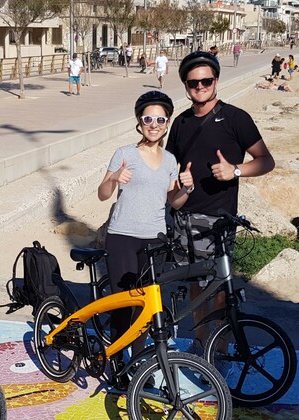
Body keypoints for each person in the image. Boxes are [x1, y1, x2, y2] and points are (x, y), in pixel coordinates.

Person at [166, 51, 275, 355]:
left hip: (218, 220)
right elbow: (169, 168)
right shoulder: (181, 122)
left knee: (219, 288)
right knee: (196, 287)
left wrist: (235, 171)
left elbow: (266, 160)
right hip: (184, 218)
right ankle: (201, 342)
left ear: (216, 80)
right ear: (186, 86)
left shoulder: (236, 118)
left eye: (206, 80)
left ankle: (222, 346)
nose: (200, 86)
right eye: (193, 82)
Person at [98, 91, 194, 388]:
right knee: (122, 305)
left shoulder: (170, 160)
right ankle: (116, 366)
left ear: (167, 124)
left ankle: (136, 365)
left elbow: (174, 203)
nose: (154, 124)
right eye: (148, 119)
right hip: (123, 236)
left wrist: (187, 188)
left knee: (145, 309)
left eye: (160, 119)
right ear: (139, 122)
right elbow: (102, 194)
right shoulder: (124, 153)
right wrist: (114, 179)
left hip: (155, 240)